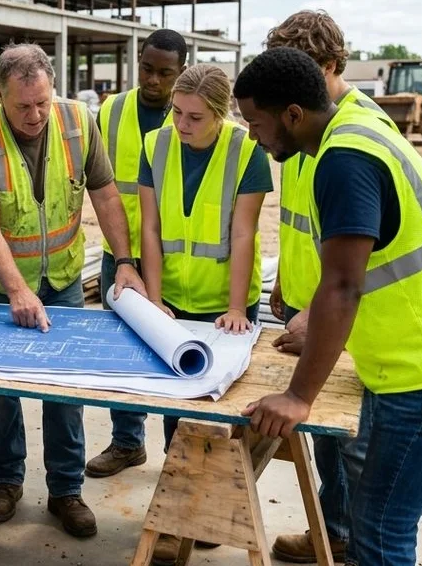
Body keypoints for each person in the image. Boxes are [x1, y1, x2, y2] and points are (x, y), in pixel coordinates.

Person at [234, 48, 422, 566]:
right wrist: (319, 328)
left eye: (255, 123)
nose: (253, 136)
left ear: (292, 114)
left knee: (380, 528)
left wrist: (298, 396)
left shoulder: (344, 160)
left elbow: (343, 286)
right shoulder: (360, 127)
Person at [0, 42, 146, 538]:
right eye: (23, 106)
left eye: (43, 101)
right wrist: (17, 289)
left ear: (53, 88)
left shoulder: (79, 121)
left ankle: (66, 490)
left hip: (62, 280)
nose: (36, 114)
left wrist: (125, 262)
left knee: (65, 390)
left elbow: (105, 195)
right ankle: (6, 480)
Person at [262, 11, 394, 564]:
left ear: (334, 65)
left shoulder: (355, 131)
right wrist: (284, 283)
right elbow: (303, 220)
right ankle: (335, 528)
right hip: (302, 298)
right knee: (322, 432)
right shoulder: (301, 125)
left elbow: (352, 265)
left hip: (336, 309)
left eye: (307, 67)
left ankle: (350, 537)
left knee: (350, 436)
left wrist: (315, 315)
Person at [136, 63, 271, 564]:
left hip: (224, 306)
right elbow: (150, 228)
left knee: (219, 419)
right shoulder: (156, 145)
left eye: (194, 117)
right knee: (177, 417)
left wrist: (236, 307)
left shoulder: (247, 151)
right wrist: (154, 299)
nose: (181, 124)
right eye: (177, 112)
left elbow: (243, 233)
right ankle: (177, 518)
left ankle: (208, 510)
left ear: (220, 114)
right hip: (171, 301)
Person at [86, 28, 186, 479]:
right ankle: (127, 441)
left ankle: (178, 456)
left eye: (165, 73)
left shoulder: (189, 114)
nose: (153, 80)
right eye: (147, 69)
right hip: (120, 251)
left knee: (174, 350)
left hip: (173, 255)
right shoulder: (112, 110)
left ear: (181, 71)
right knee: (122, 350)